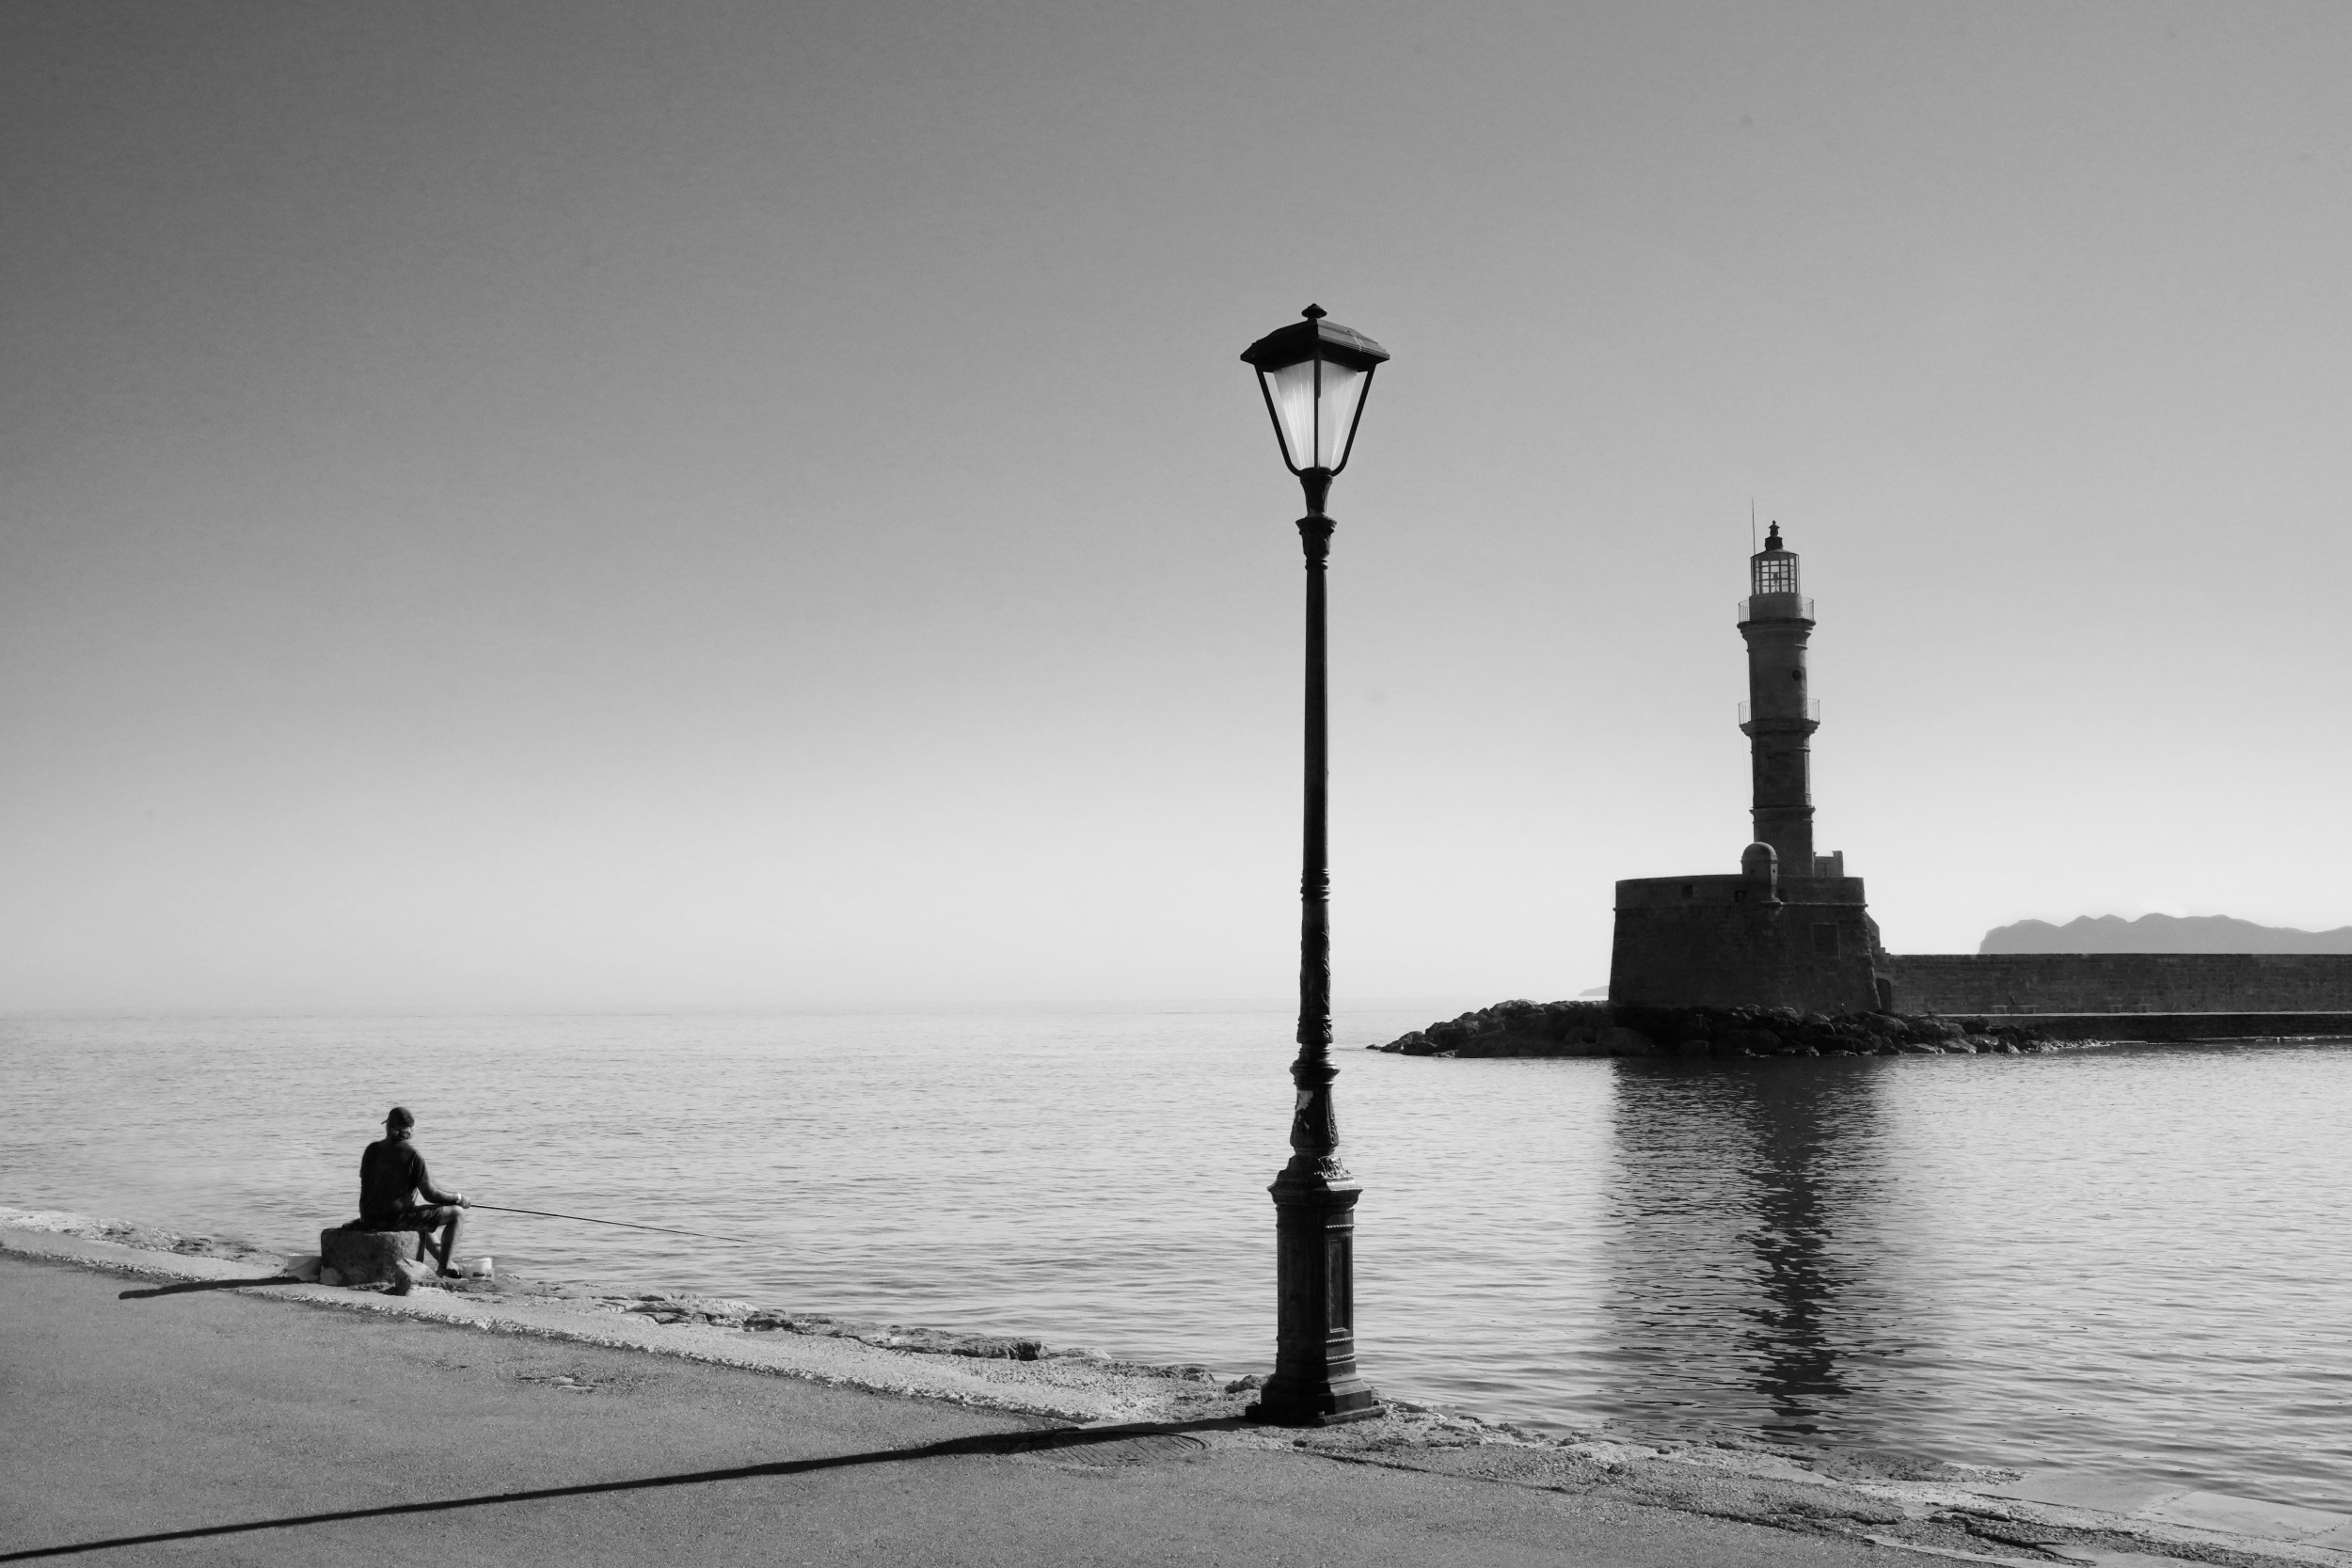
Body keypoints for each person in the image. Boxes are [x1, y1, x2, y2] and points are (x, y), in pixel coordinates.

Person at [354, 1105, 469, 1277]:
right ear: (410, 1130)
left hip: (368, 1218)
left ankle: (446, 1263)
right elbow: (431, 1194)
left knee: (421, 1216)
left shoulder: (371, 1150)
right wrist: (458, 1198)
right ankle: (444, 1267)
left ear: (389, 1127)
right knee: (457, 1214)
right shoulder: (413, 1155)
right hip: (394, 1219)